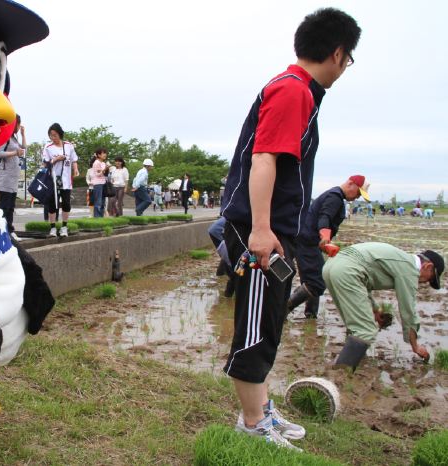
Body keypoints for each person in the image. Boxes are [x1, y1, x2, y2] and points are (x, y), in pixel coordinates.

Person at [218, 8, 360, 450]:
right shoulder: (292, 90)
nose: (345, 66)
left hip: (277, 230)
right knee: (257, 328)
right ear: (337, 53)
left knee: (272, 321)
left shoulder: (298, 91)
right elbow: (264, 159)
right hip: (262, 231)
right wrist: (261, 229)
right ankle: (251, 422)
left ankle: (261, 410)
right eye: (349, 58)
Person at [323, 243, 443, 370]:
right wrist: (415, 346)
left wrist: (375, 309)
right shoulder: (410, 270)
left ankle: (355, 360)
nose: (425, 282)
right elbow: (408, 311)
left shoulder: (401, 259)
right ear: (428, 266)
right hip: (347, 271)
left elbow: (363, 282)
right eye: (430, 279)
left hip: (331, 266)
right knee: (365, 330)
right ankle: (341, 374)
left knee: (355, 325)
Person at [287, 175, 370, 318]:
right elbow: (324, 217)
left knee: (314, 278)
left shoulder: (335, 195)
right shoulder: (335, 197)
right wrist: (325, 236)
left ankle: (311, 314)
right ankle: (284, 309)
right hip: (307, 242)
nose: (357, 197)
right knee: (317, 282)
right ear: (351, 184)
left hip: (309, 241)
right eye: (358, 193)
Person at [42, 123, 79, 237]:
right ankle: (53, 228)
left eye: (55, 135)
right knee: (52, 204)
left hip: (66, 180)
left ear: (60, 134)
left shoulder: (68, 146)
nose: (53, 138)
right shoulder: (48, 147)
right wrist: (56, 159)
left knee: (66, 203)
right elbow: (45, 164)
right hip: (52, 180)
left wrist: (75, 170)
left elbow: (74, 160)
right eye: (51, 135)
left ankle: (64, 227)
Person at [0, 114, 26, 241]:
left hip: (13, 178)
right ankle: (4, 231)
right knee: (5, 206)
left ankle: (10, 230)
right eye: (18, 125)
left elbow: (23, 148)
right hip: (5, 177)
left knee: (11, 206)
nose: (19, 128)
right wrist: (15, 153)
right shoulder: (4, 137)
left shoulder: (13, 138)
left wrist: (24, 134)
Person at [91, 148, 109, 217]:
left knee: (103, 202)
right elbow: (98, 174)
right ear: (98, 155)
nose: (105, 155)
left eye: (105, 153)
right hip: (98, 184)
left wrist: (107, 169)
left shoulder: (103, 163)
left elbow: (105, 174)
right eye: (103, 153)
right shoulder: (96, 163)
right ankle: (97, 218)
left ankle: (101, 217)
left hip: (103, 183)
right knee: (98, 202)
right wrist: (105, 169)